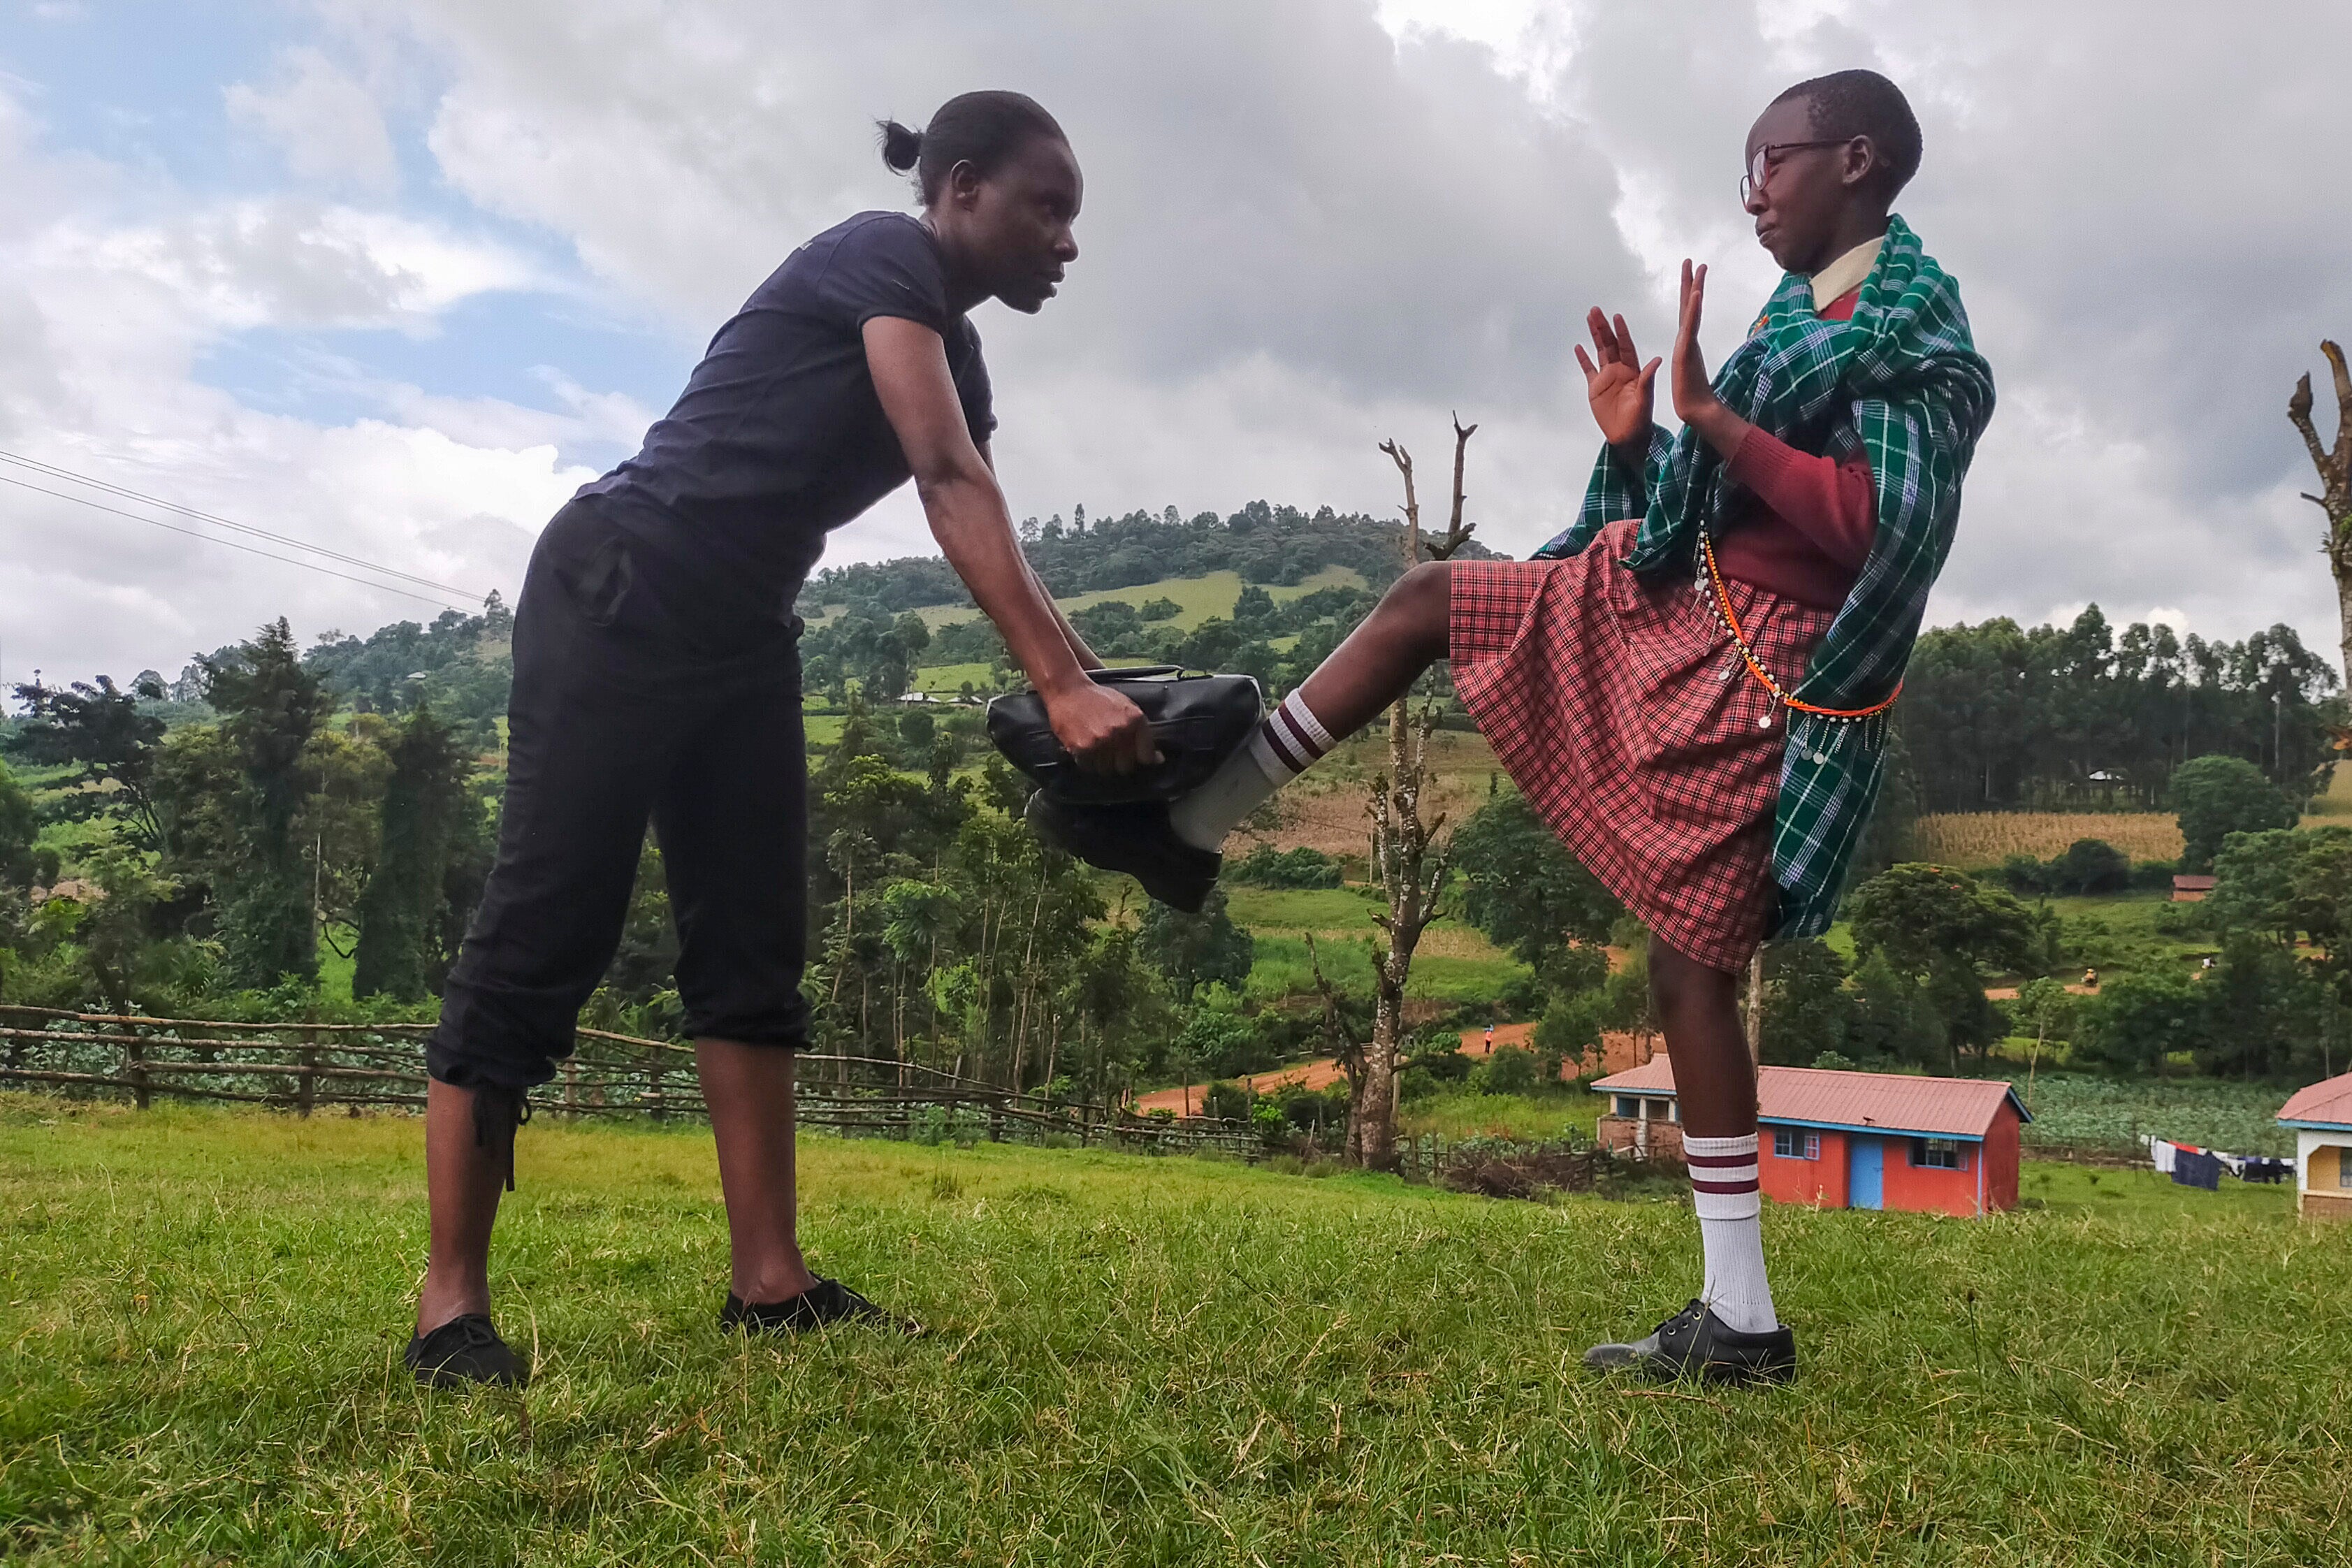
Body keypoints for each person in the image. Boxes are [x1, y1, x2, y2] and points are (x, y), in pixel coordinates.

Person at [1033, 68, 1992, 1384]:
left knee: (1686, 970)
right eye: (1746, 171)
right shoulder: (1794, 317)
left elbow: (1878, 531)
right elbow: (1723, 512)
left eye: (1774, 161)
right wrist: (1646, 439)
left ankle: (1742, 1325)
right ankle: (1191, 822)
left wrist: (1713, 421)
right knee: (1437, 604)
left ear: (1859, 162)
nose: (1753, 191)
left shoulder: (1908, 325)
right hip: (1693, 615)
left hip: (1766, 671)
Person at [405, 91, 1157, 1389]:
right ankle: (447, 1304)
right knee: (545, 929)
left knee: (752, 941)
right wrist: (1057, 684)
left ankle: (771, 1283)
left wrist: (1098, 687)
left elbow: (988, 514)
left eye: (1074, 220)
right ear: (962, 186)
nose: (1067, 244)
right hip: (620, 588)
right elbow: (942, 478)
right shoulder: (880, 253)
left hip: (743, 631)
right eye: (1050, 209)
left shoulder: (962, 358)